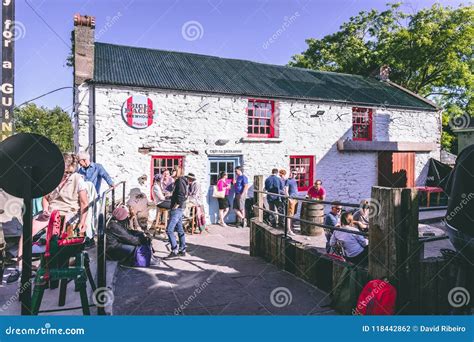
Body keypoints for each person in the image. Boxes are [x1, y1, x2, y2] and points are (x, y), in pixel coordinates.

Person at [8, 153, 90, 283]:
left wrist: (83, 221)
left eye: (69, 172)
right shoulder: (53, 178)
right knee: (27, 231)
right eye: (64, 172)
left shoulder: (78, 179)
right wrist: (45, 210)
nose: (66, 175)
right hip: (51, 211)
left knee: (55, 237)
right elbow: (45, 198)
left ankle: (52, 268)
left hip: (69, 212)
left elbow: (84, 203)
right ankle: (20, 267)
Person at [166, 166, 188, 258]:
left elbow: (182, 195)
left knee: (169, 230)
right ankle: (182, 250)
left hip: (177, 209)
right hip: (178, 208)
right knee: (180, 230)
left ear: (178, 171)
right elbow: (179, 194)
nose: (172, 172)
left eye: (173, 170)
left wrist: (176, 206)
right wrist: (171, 197)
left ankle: (174, 250)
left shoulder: (180, 181)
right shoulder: (178, 181)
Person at [284, 169, 299, 236]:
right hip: (291, 200)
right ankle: (288, 230)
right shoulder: (288, 180)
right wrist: (289, 198)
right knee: (289, 215)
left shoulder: (295, 181)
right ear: (290, 173)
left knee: (293, 214)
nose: (294, 175)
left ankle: (291, 228)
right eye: (293, 173)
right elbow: (286, 190)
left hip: (296, 199)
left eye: (295, 174)